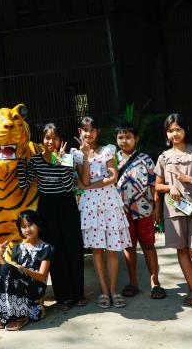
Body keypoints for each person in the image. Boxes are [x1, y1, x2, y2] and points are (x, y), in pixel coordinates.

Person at [17, 123, 86, 310]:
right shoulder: (36, 161)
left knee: (73, 248)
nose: (51, 141)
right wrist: (22, 160)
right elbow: (23, 184)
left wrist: (60, 160)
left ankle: (79, 294)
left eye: (55, 138)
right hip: (47, 207)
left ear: (60, 140)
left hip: (67, 205)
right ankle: (63, 297)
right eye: (47, 138)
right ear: (42, 140)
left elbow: (68, 185)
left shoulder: (67, 158)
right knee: (55, 251)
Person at [72, 116, 131, 309]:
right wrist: (86, 156)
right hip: (90, 207)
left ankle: (115, 291)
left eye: (92, 130)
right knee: (97, 251)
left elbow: (113, 178)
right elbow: (83, 181)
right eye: (84, 130)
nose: (88, 133)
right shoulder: (77, 154)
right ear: (80, 132)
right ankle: (104, 292)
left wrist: (90, 186)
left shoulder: (108, 150)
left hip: (110, 204)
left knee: (113, 250)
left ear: (97, 132)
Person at [154, 114, 192, 308]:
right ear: (166, 134)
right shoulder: (163, 157)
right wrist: (170, 187)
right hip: (174, 209)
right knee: (182, 250)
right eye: (171, 130)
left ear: (185, 129)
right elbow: (157, 186)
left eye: (178, 129)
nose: (175, 133)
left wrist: (188, 180)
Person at [115, 122, 165, 300]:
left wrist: (157, 207)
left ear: (136, 138)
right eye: (121, 137)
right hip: (122, 211)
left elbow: (154, 186)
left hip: (144, 209)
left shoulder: (146, 159)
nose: (124, 141)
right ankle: (133, 282)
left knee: (148, 245)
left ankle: (155, 283)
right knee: (129, 247)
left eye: (128, 137)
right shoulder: (112, 161)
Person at [0, 209, 53, 331]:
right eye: (23, 227)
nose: (27, 229)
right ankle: (3, 311)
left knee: (8, 269)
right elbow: (8, 271)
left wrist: (24, 269)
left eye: (30, 225)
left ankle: (22, 316)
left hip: (34, 288)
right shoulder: (18, 248)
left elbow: (42, 276)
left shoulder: (46, 248)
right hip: (20, 287)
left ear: (38, 225)